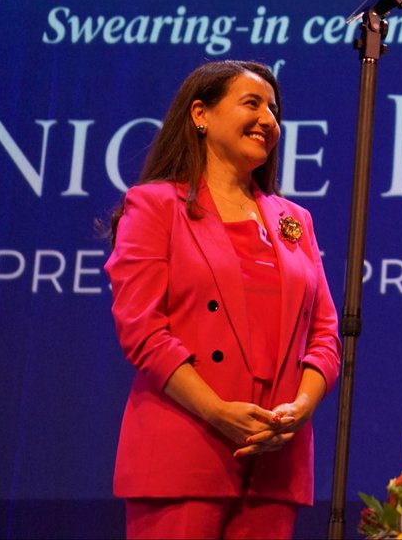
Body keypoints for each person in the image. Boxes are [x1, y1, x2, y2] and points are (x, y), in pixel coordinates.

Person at [105, 60, 340, 539]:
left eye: (273, 110)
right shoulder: (154, 206)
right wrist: (216, 410)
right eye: (252, 103)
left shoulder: (295, 219)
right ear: (201, 115)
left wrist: (298, 409)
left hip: (275, 460)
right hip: (185, 452)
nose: (268, 119)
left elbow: (325, 334)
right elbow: (143, 330)